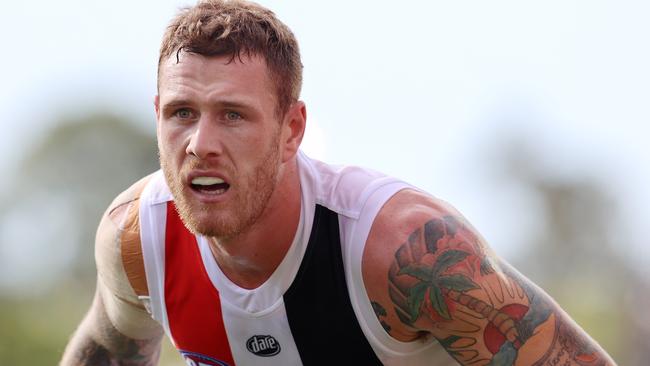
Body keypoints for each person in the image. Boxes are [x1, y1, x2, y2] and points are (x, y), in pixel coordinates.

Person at [60, 0, 616, 365]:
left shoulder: (405, 253)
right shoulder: (136, 240)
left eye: (233, 114)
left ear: (291, 130)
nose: (201, 143)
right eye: (182, 112)